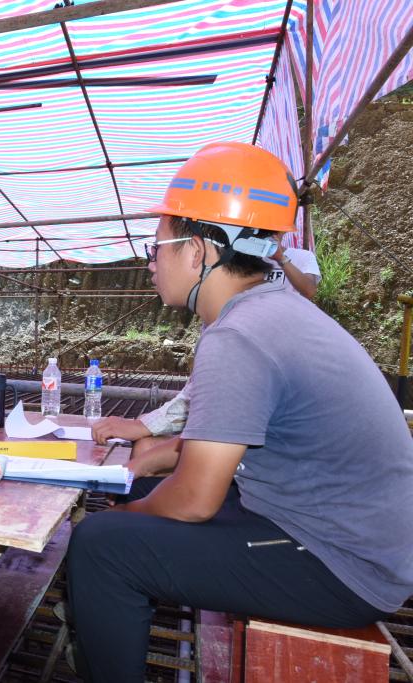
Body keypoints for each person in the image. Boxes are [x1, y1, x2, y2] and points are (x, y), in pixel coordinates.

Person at [65, 142, 413, 681]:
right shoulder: (272, 311)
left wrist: (122, 518)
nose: (150, 262)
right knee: (138, 492)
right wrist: (148, 467)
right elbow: (224, 433)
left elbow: (195, 500)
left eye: (157, 247)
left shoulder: (240, 335)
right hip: (342, 532)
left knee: (100, 545)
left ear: (197, 251)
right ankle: (105, 628)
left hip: (341, 564)